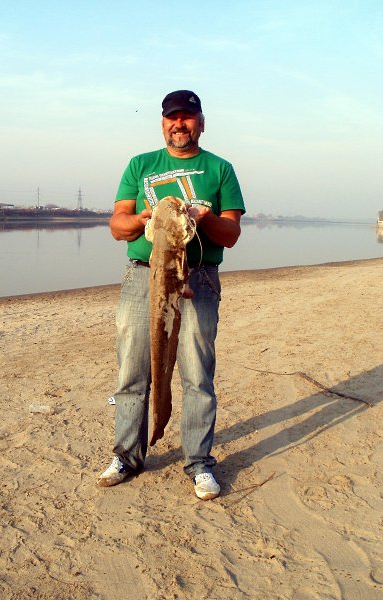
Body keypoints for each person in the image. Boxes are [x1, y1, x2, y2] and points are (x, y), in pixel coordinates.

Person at [98, 90, 245, 500]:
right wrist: (144, 217)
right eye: (172, 118)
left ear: (201, 123)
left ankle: (199, 463)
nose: (179, 124)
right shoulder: (140, 164)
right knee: (133, 370)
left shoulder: (221, 169)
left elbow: (231, 235)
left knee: (197, 373)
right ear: (163, 123)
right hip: (143, 277)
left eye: (187, 117)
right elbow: (117, 226)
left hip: (198, 278)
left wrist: (205, 218)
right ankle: (127, 456)